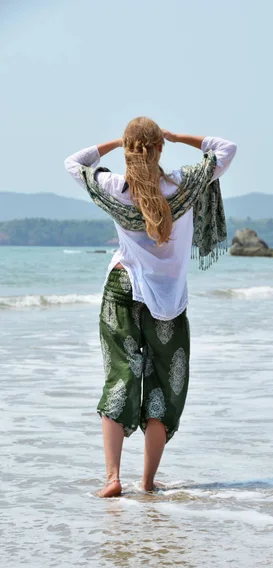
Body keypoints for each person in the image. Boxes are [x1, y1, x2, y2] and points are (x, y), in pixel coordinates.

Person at [64, 117, 237, 497]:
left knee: (120, 378)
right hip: (169, 302)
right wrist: (176, 138)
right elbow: (225, 148)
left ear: (129, 151)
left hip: (122, 289)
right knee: (163, 389)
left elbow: (74, 162)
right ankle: (146, 482)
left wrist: (121, 144)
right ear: (160, 149)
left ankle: (112, 479)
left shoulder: (114, 186)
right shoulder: (183, 184)